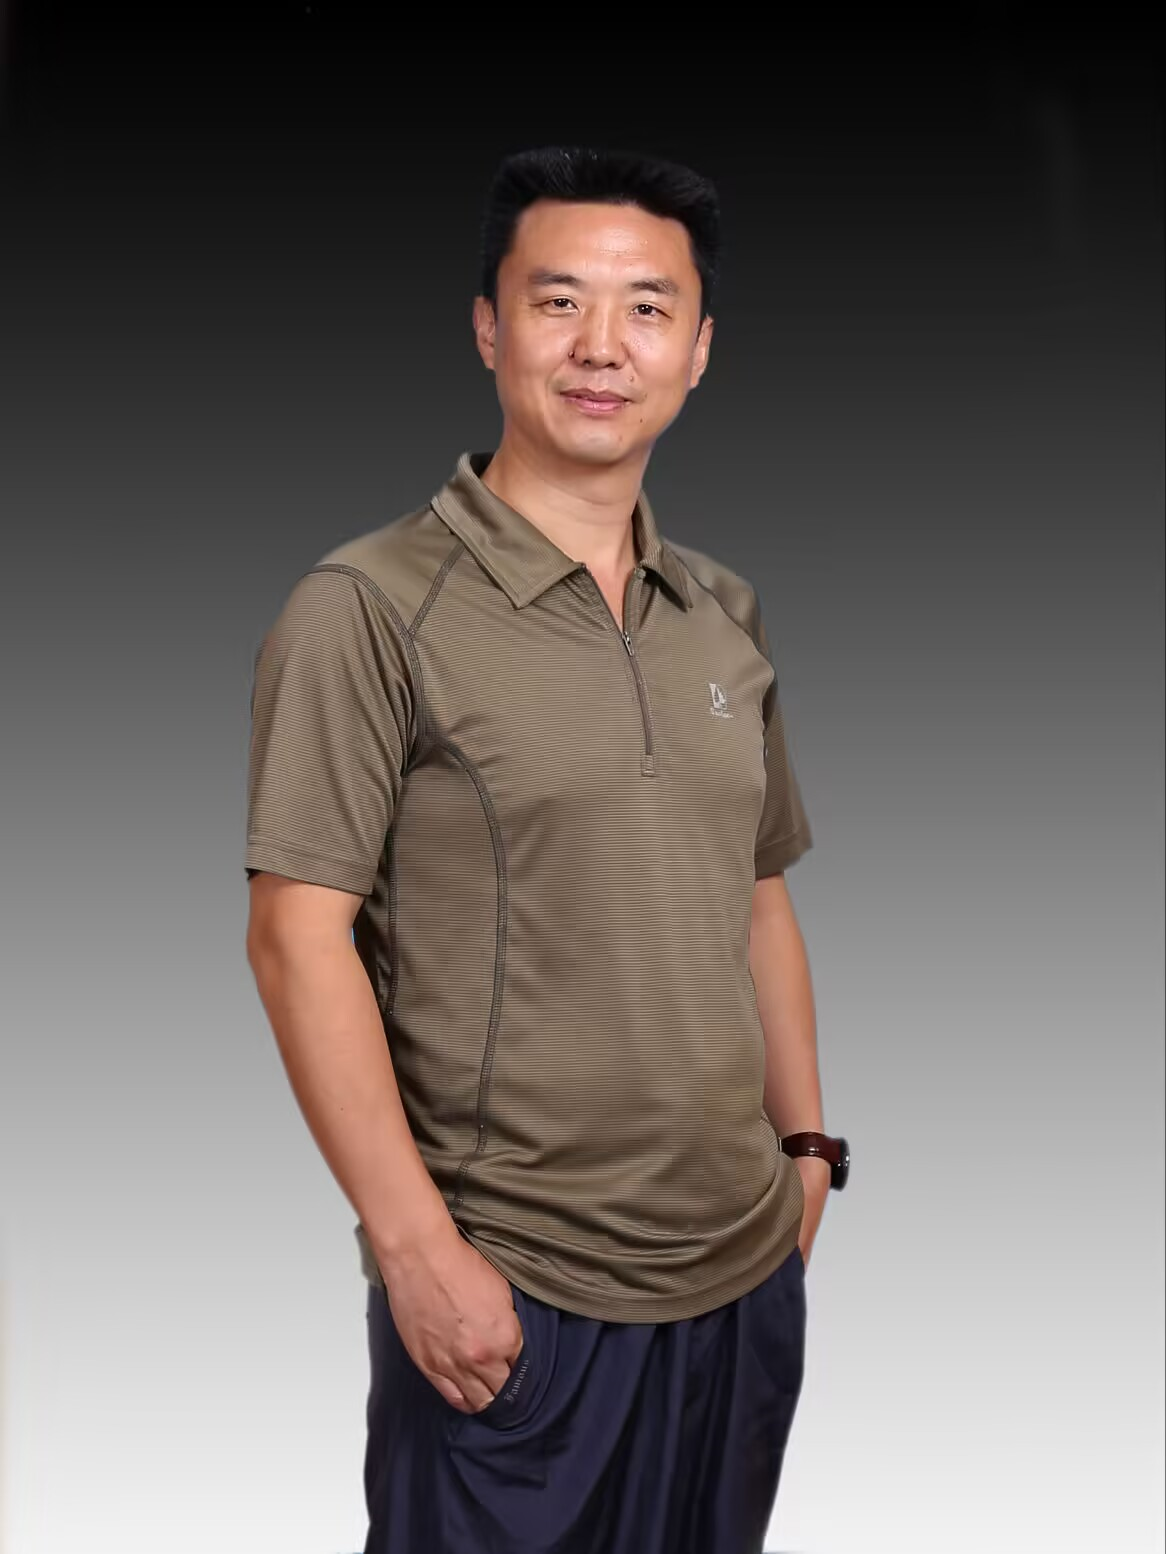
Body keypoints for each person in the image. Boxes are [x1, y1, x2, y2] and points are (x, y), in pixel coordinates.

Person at [244, 144, 849, 1554]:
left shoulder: (722, 611)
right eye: (558, 300)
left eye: (647, 308)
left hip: (741, 1275)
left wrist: (808, 1151)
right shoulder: (367, 606)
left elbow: (756, 893)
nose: (600, 346)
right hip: (515, 1290)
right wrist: (416, 1252)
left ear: (699, 350)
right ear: (487, 325)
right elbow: (294, 937)